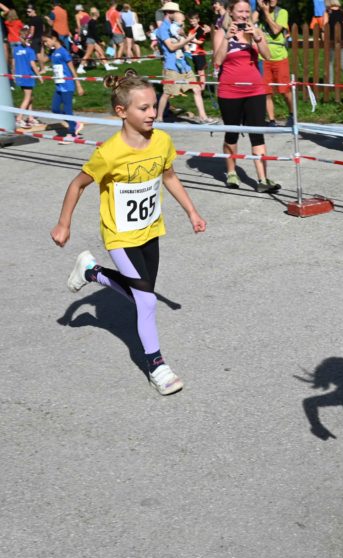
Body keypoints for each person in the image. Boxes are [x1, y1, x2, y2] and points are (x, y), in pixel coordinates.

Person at [50, 70, 206, 396]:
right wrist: (64, 223)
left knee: (142, 294)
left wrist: (191, 212)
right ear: (122, 111)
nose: (152, 113)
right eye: (143, 108)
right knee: (146, 301)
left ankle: (91, 272)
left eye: (153, 106)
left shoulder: (161, 141)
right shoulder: (109, 152)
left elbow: (170, 177)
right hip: (119, 236)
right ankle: (156, 365)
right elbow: (78, 184)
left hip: (150, 230)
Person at [213, 0, 280, 193]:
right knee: (232, 133)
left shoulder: (255, 30)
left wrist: (258, 37)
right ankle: (231, 172)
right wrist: (227, 38)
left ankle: (263, 179)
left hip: (255, 89)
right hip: (229, 90)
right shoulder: (221, 32)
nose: (244, 15)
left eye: (246, 11)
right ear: (231, 12)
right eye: (240, 11)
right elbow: (218, 61)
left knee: (257, 133)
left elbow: (268, 55)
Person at [155, 2, 215, 125]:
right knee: (167, 93)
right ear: (169, 13)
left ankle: (203, 117)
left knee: (196, 89)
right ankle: (159, 118)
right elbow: (171, 47)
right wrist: (187, 39)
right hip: (172, 65)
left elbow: (187, 42)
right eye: (176, 12)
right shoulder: (162, 29)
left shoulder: (176, 26)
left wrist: (188, 35)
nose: (178, 14)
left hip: (184, 65)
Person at [42, 31, 84, 139]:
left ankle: (72, 133)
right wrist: (41, 47)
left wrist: (78, 84)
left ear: (54, 38)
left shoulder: (63, 52)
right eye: (44, 42)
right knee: (55, 109)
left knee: (68, 110)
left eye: (46, 41)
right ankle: (74, 123)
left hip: (67, 85)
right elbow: (42, 60)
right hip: (59, 86)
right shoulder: (53, 52)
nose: (45, 43)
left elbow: (72, 69)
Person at [256, 0, 291, 126]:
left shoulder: (282, 12)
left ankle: (292, 114)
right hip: (263, 57)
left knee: (284, 90)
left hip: (279, 57)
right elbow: (249, 22)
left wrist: (266, 13)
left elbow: (276, 30)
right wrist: (258, 9)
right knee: (266, 91)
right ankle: (271, 120)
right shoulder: (259, 13)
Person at [12, 30, 43, 129]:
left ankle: (30, 118)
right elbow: (33, 64)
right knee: (27, 97)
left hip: (19, 76)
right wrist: (39, 76)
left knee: (30, 97)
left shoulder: (15, 49)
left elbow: (13, 63)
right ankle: (19, 118)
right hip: (28, 76)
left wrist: (13, 74)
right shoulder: (30, 50)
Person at [79, 6, 115, 72]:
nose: (99, 14)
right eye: (98, 13)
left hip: (93, 40)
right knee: (87, 55)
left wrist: (99, 41)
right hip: (91, 41)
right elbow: (94, 34)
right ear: (96, 14)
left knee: (101, 53)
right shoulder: (92, 22)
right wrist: (101, 41)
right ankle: (80, 68)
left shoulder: (93, 21)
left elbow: (94, 34)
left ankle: (107, 66)